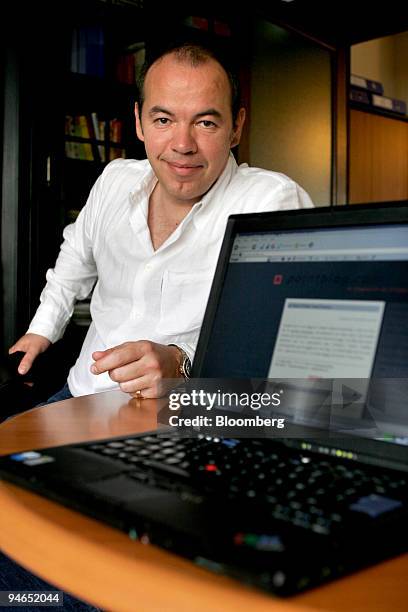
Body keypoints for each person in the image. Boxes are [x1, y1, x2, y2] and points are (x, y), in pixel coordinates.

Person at [9, 42, 313, 403]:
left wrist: (182, 363)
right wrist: (42, 329)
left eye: (205, 122)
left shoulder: (271, 201)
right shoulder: (114, 180)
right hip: (81, 396)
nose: (183, 144)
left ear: (236, 127)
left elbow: (279, 338)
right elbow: (76, 257)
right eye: (164, 120)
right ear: (139, 122)